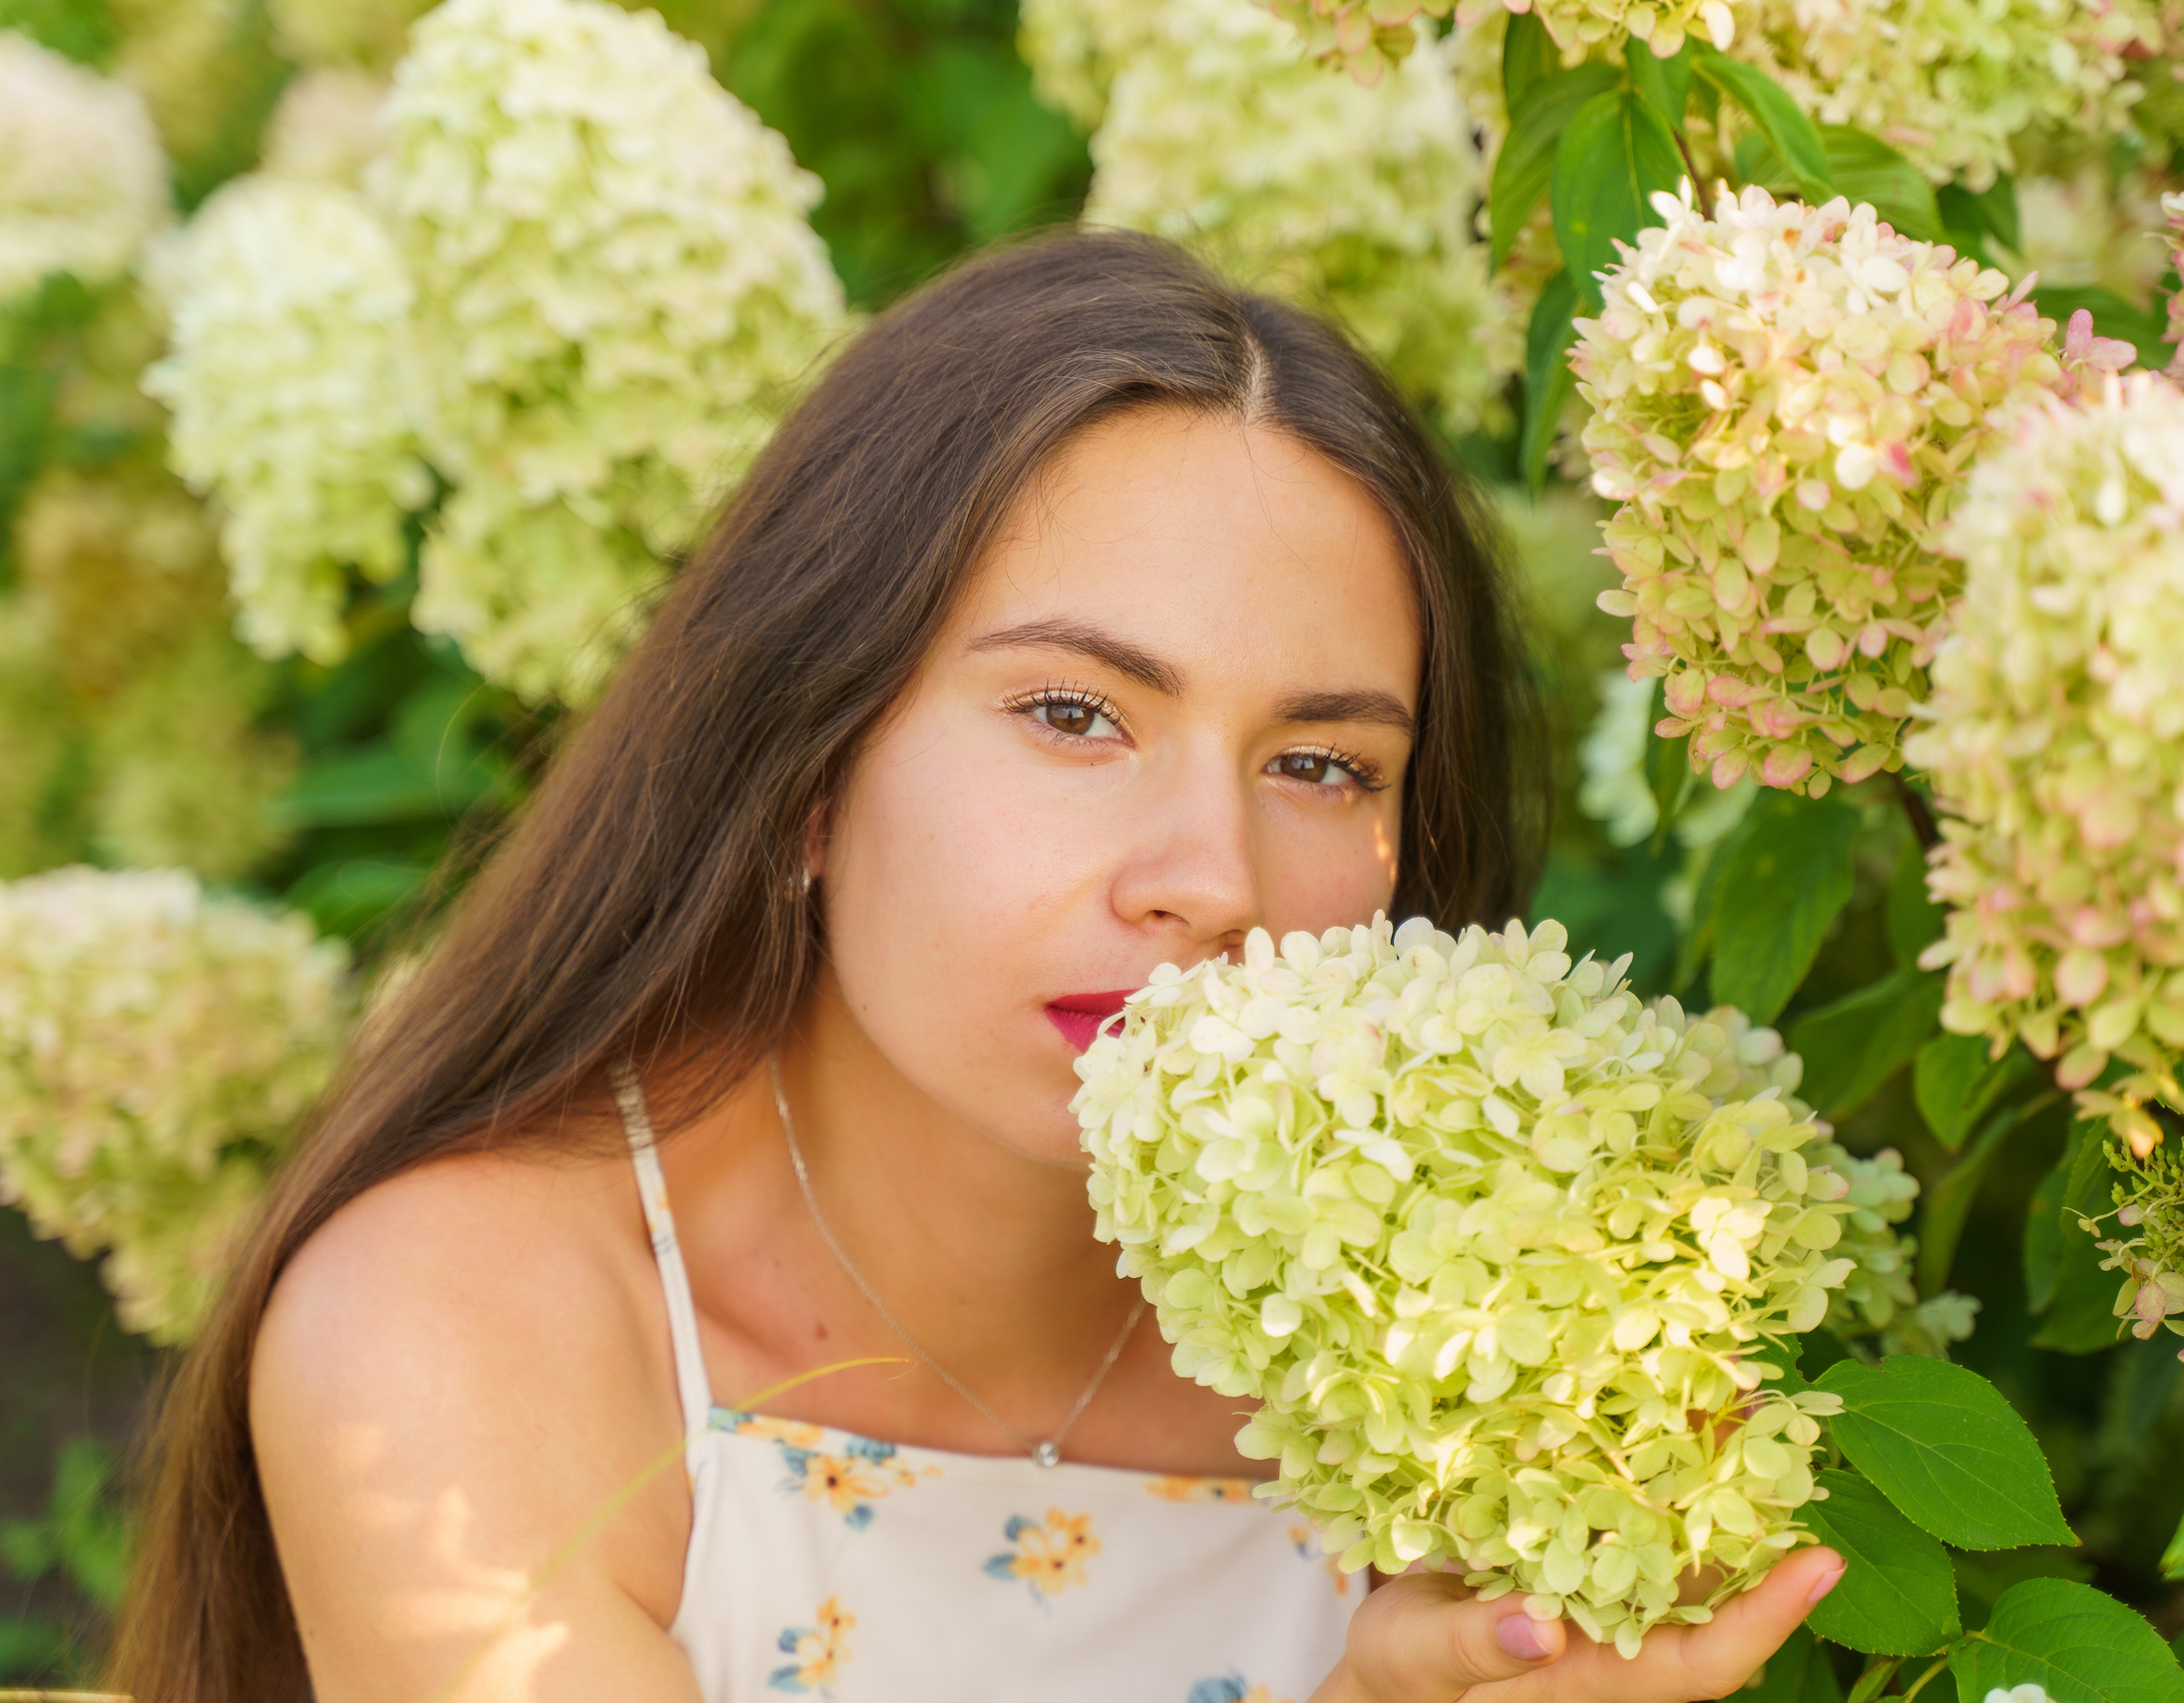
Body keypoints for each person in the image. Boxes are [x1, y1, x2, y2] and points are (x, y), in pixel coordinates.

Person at [110, 230, 1843, 1703]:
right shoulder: (466, 1326)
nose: (1209, 883)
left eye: (1322, 763)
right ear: (806, 771)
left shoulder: (1474, 1352)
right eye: (1075, 714)